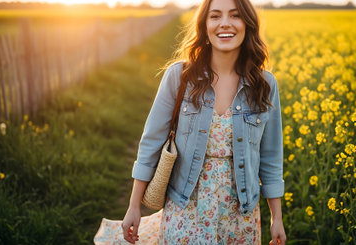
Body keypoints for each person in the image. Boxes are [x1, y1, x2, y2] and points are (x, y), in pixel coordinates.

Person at [121, 0, 286, 244]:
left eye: (235, 16)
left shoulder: (265, 84)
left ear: (247, 24)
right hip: (185, 208)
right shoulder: (179, 77)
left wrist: (276, 218)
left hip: (241, 216)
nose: (225, 24)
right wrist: (134, 206)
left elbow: (271, 157)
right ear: (205, 26)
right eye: (215, 16)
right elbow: (151, 143)